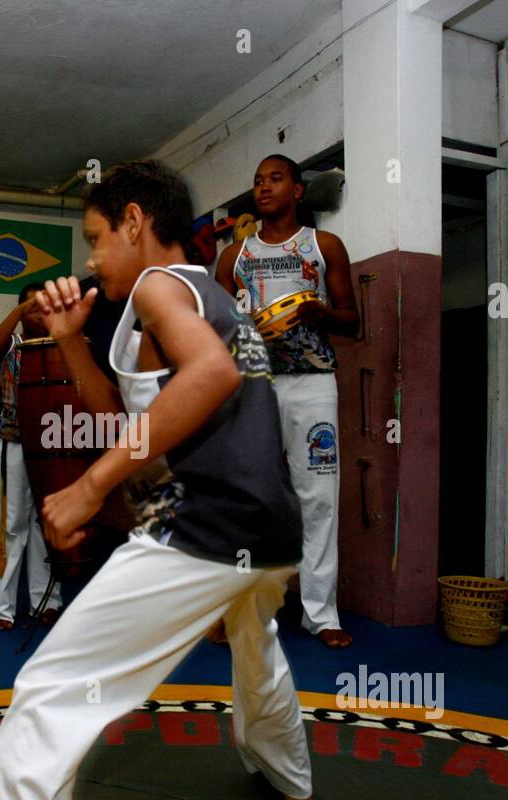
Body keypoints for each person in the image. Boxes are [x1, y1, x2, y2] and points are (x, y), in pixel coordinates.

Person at [0, 161, 313, 800]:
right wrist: (70, 337)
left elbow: (211, 376)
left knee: (48, 694)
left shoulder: (160, 285)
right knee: (257, 652)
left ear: (135, 222)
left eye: (97, 238)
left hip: (204, 526)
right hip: (272, 533)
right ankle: (290, 774)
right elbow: (121, 412)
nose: (92, 258)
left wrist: (92, 486)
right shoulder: (205, 293)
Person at [215, 154, 361, 649]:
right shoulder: (233, 256)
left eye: (275, 179)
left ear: (298, 190)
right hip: (254, 384)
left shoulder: (324, 246)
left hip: (313, 381)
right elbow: (214, 328)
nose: (264, 188)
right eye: (257, 181)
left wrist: (318, 311)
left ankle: (321, 614)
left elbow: (351, 320)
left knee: (318, 496)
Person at [0, 282, 63, 631]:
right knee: (11, 526)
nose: (38, 313)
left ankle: (47, 600)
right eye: (31, 308)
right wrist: (19, 308)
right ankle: (3, 607)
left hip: (50, 448)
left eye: (44, 307)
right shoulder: (11, 346)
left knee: (46, 525)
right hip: (13, 443)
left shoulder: (60, 346)